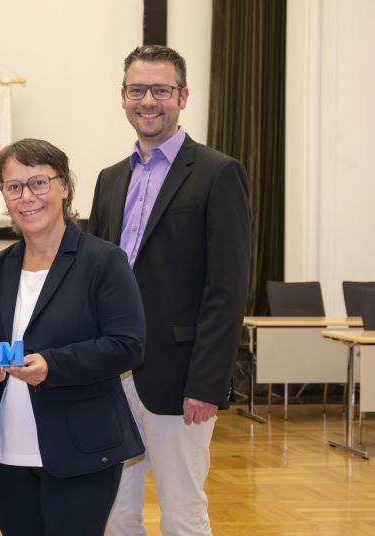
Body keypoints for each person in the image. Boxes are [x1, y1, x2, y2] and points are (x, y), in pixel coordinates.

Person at [88, 45, 251, 536]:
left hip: (180, 380)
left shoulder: (218, 173)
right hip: (112, 376)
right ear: (122, 98)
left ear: (182, 96)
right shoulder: (109, 180)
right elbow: (94, 280)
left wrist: (207, 382)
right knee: (114, 510)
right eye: (138, 90)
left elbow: (227, 288)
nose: (149, 101)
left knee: (182, 510)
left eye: (161, 90)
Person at [0, 138, 146, 536]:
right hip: (8, 451)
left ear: (64, 186)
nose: (26, 197)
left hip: (81, 450)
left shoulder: (103, 261)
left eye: (38, 183)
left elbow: (128, 345)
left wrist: (53, 365)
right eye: (13, 187)